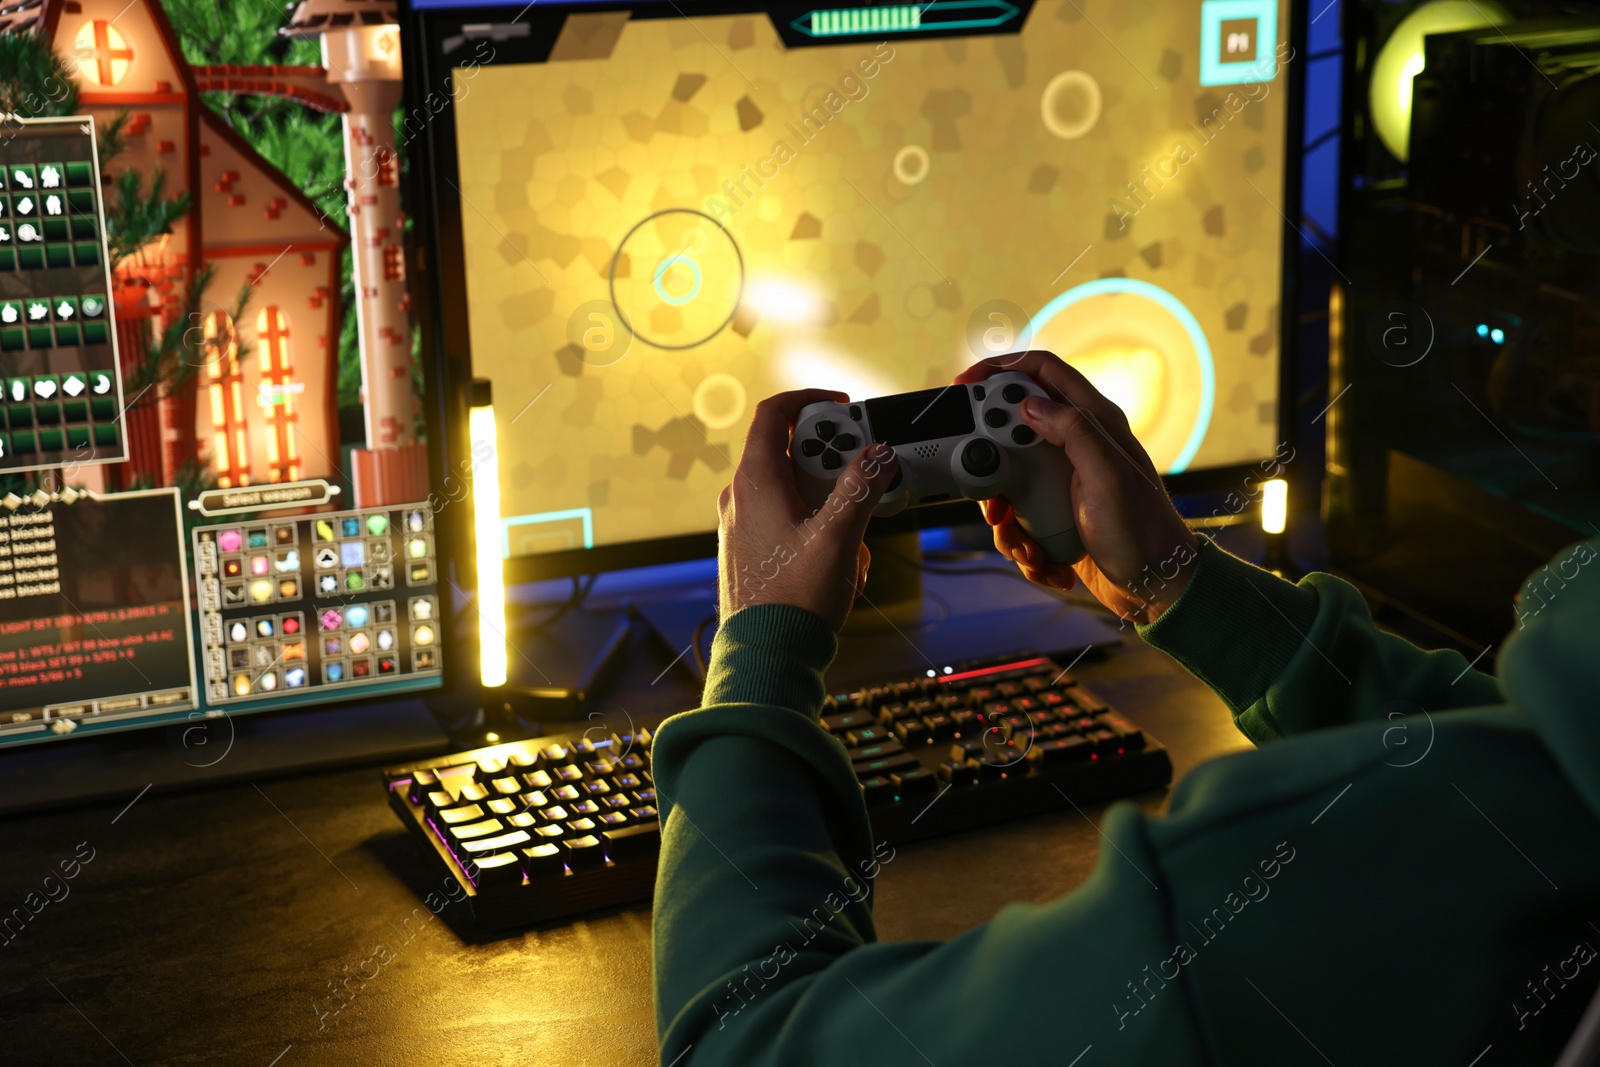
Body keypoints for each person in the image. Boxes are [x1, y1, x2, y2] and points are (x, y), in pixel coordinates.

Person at [650, 350, 1600, 1066]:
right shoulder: (1553, 813)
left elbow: (743, 1042)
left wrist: (762, 650)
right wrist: (1179, 581)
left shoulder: (1230, 915)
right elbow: (1486, 757)